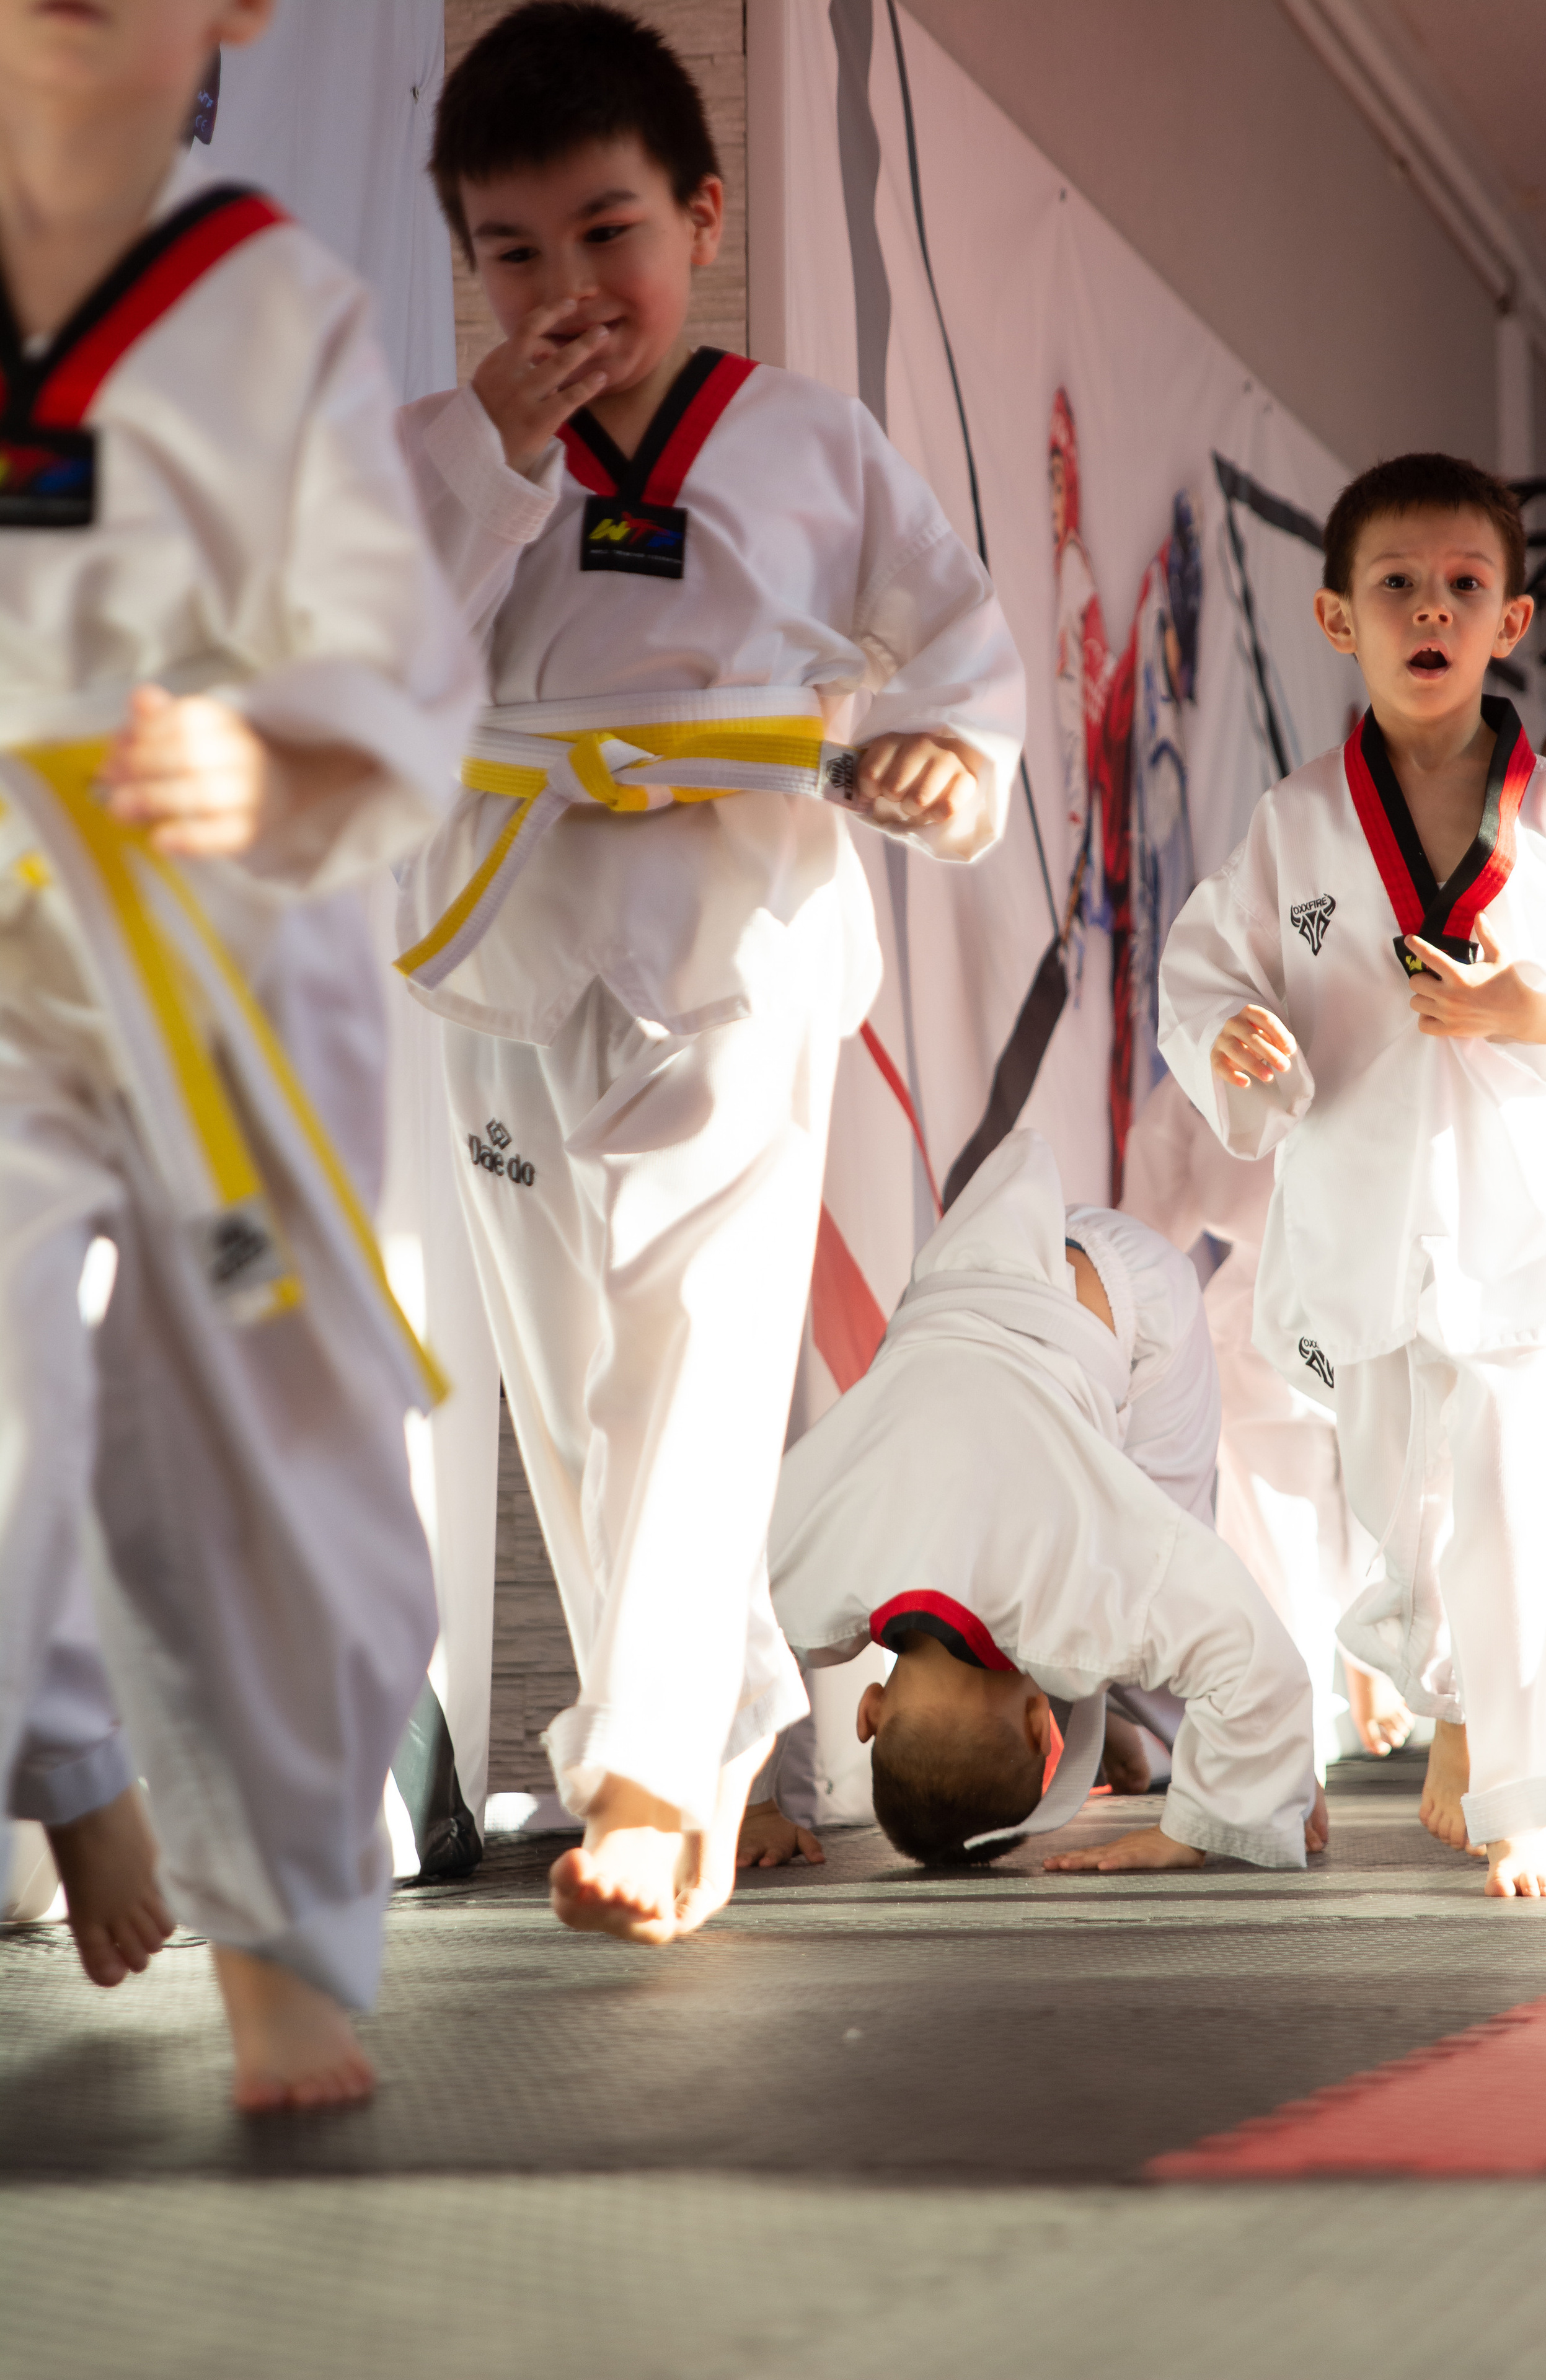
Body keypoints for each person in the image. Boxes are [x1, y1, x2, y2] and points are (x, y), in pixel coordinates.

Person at [397, 2, 1023, 1942]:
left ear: (701, 212)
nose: (569, 287)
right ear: (466, 265)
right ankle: (701, 1699)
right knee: (581, 1380)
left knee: (696, 1337)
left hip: (736, 929)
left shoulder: (812, 444)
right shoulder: (433, 449)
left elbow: (955, 650)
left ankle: (655, 1773)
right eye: (515, 252)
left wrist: (950, 759)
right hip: (509, 932)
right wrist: (491, 457)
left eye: (609, 232)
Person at [0, 0, 481, 2100]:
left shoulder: (274, 295)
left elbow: (381, 628)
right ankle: (63, 1745)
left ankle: (285, 1908)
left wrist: (270, 741)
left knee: (271, 1433)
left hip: (222, 929)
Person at [1160, 451, 1546, 1901]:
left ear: (1508, 621)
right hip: (1362, 1226)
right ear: (1336, 617)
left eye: (1462, 585)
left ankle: (1525, 1800)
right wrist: (1233, 1037)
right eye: (1394, 583)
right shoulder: (1291, 831)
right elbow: (1204, 972)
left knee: (1521, 1493)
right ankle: (1452, 1698)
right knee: (1399, 1522)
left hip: (1523, 1230)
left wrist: (1530, 1009)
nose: (1429, 608)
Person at [763, 1132, 1320, 1874]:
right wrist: (746, 1806)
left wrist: (1221, 1812)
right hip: (959, 1274)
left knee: (1160, 1553)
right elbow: (708, 1638)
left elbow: (1246, 1656)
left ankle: (1165, 1727)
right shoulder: (813, 1572)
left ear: (1039, 1725)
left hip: (1133, 1307)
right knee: (1128, 1583)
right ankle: (1129, 1711)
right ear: (870, 1712)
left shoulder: (1067, 1596)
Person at [1123, 1069, 1414, 1773]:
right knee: (1277, 1538)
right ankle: (1295, 1741)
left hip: (1389, 1311)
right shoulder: (1200, 1077)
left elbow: (1142, 1242)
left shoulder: (1389, 1038)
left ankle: (1362, 1653)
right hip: (1263, 1331)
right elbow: (1141, 1243)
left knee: (1401, 1514)